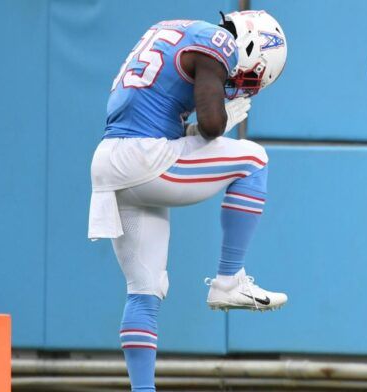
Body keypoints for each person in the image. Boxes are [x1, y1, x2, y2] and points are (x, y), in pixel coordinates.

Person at [88, 11, 288, 392]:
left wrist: (191, 131)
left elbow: (151, 106)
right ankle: (229, 279)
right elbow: (213, 125)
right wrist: (214, 122)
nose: (237, 83)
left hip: (110, 159)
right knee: (253, 159)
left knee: (144, 291)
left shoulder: (167, 28)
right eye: (245, 77)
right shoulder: (220, 43)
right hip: (144, 157)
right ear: (248, 44)